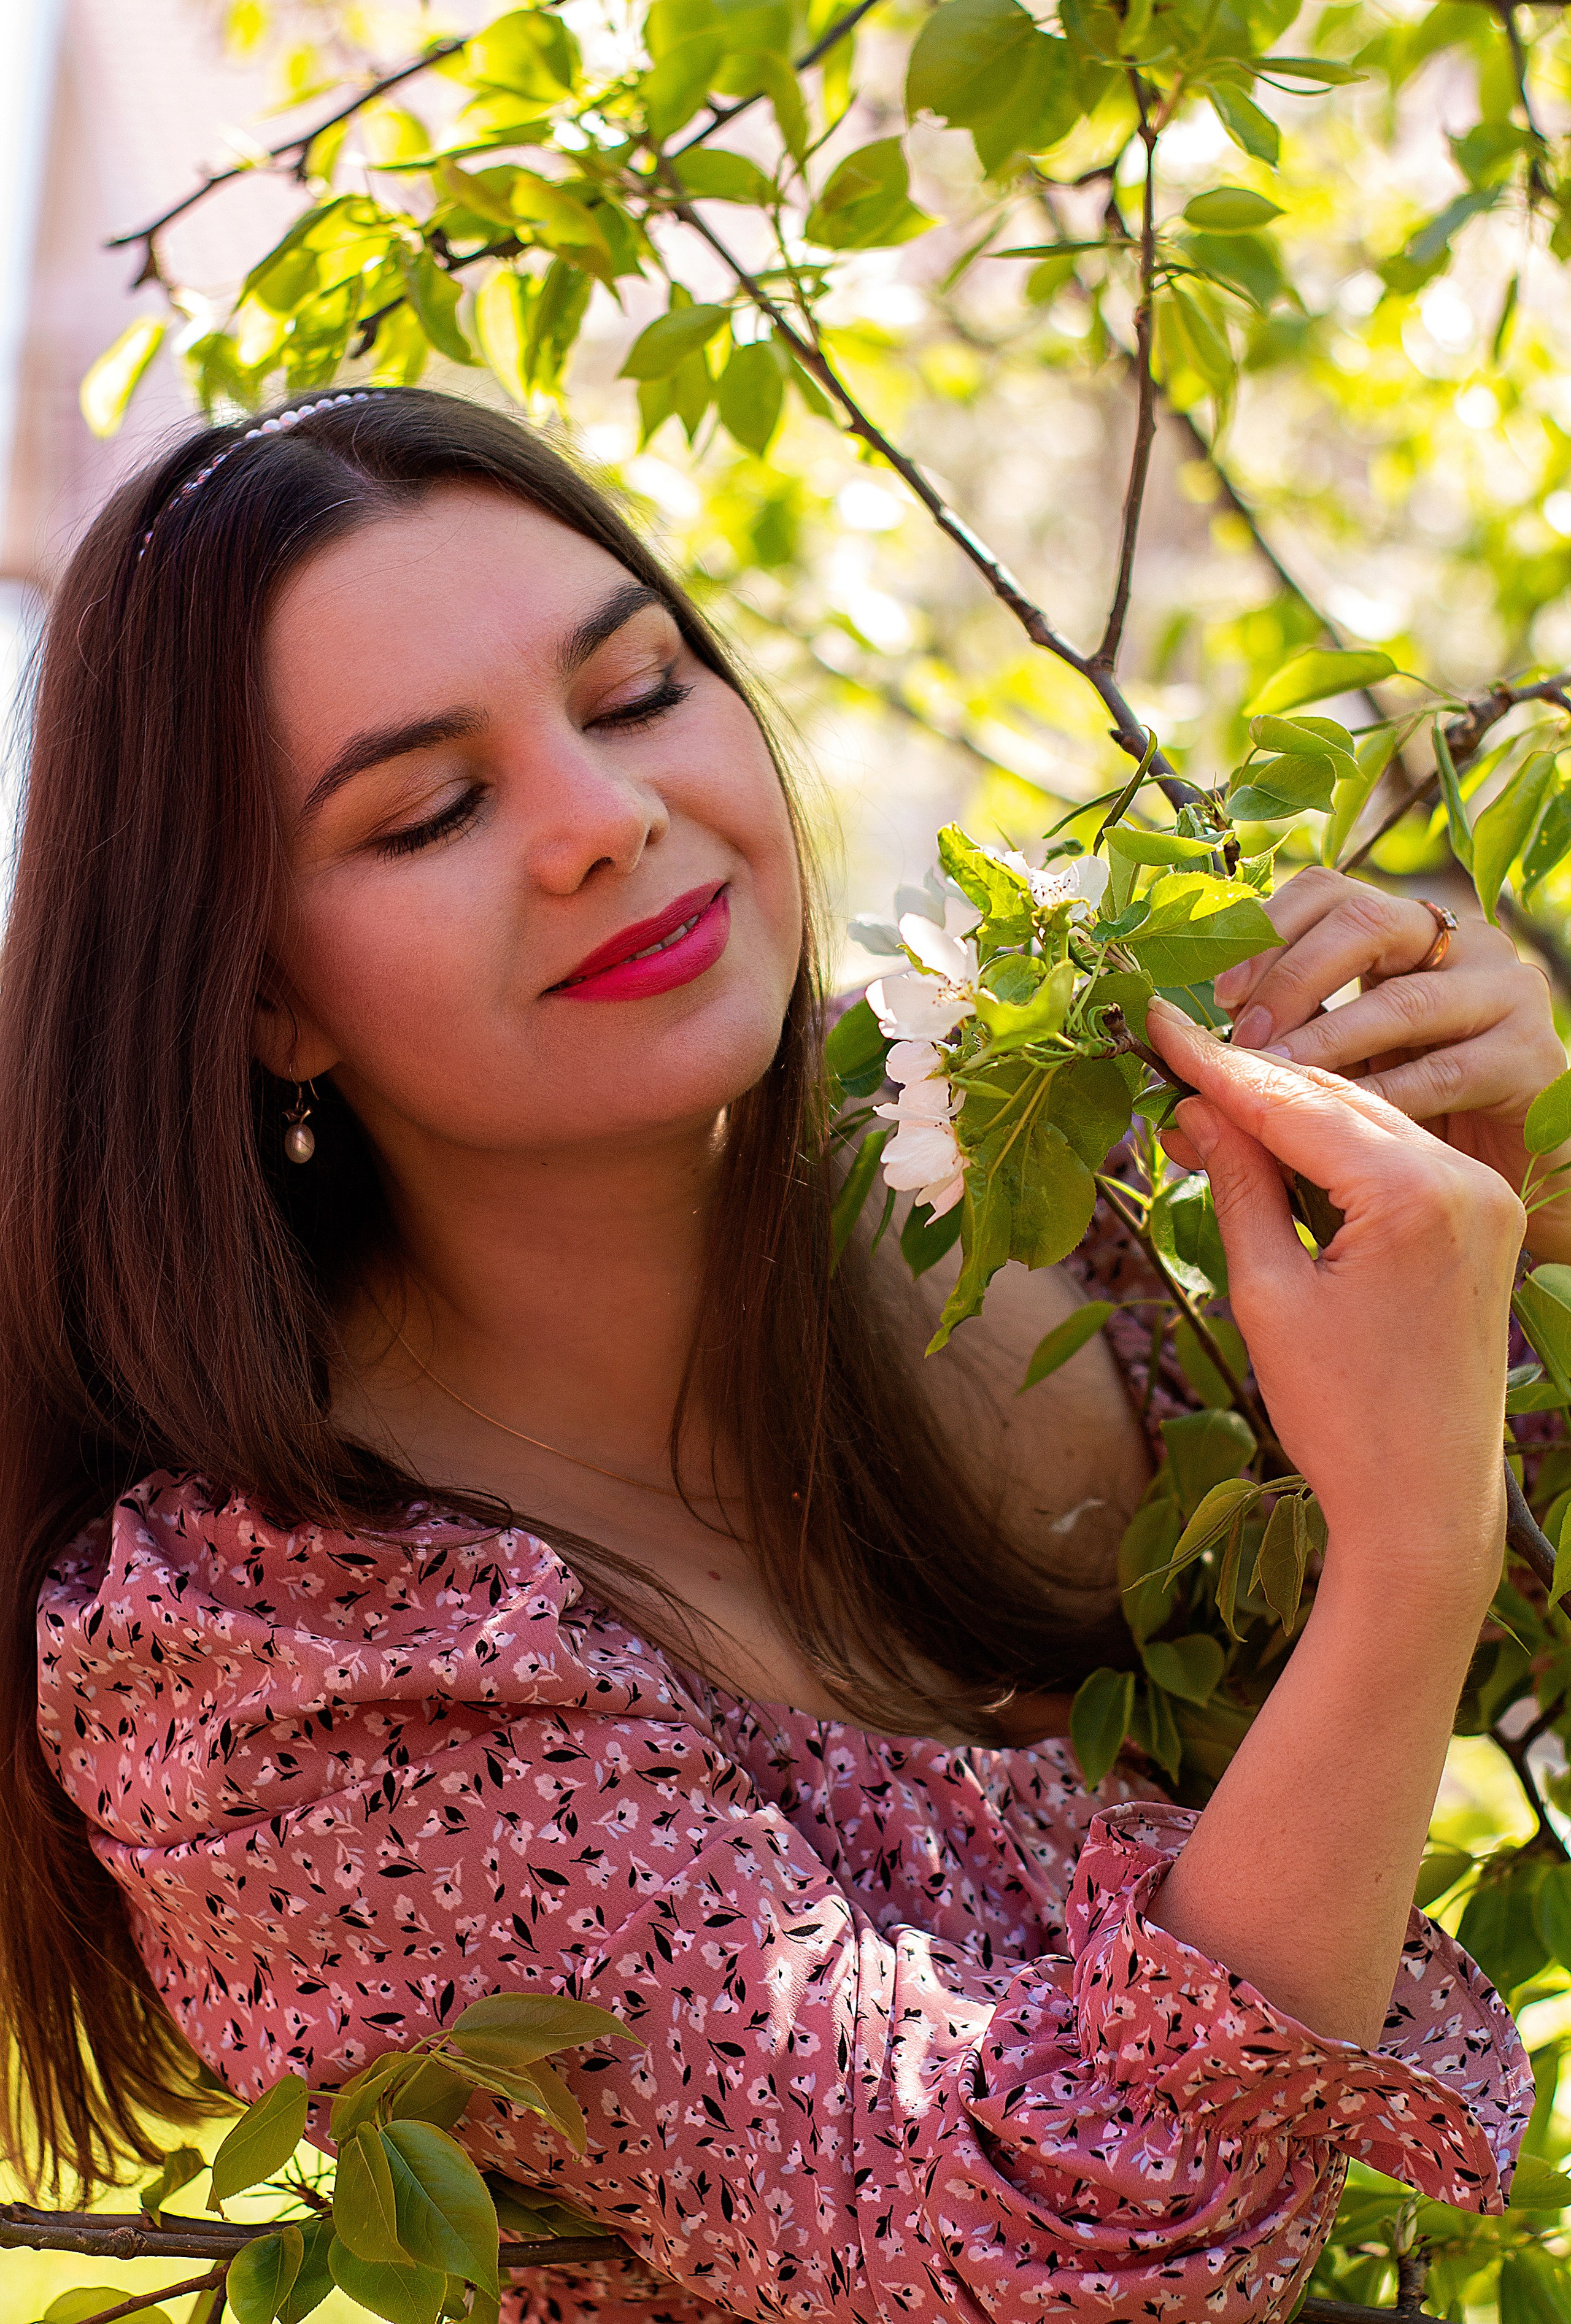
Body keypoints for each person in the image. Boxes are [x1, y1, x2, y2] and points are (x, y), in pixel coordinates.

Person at [1, 387, 1557, 2322]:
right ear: (263, 1000)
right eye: (430, 810)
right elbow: (1037, 2263)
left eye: (639, 692)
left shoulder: (1026, 1183)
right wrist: (1409, 1556)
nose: (605, 820)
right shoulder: (291, 1671)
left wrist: (1527, 1214)